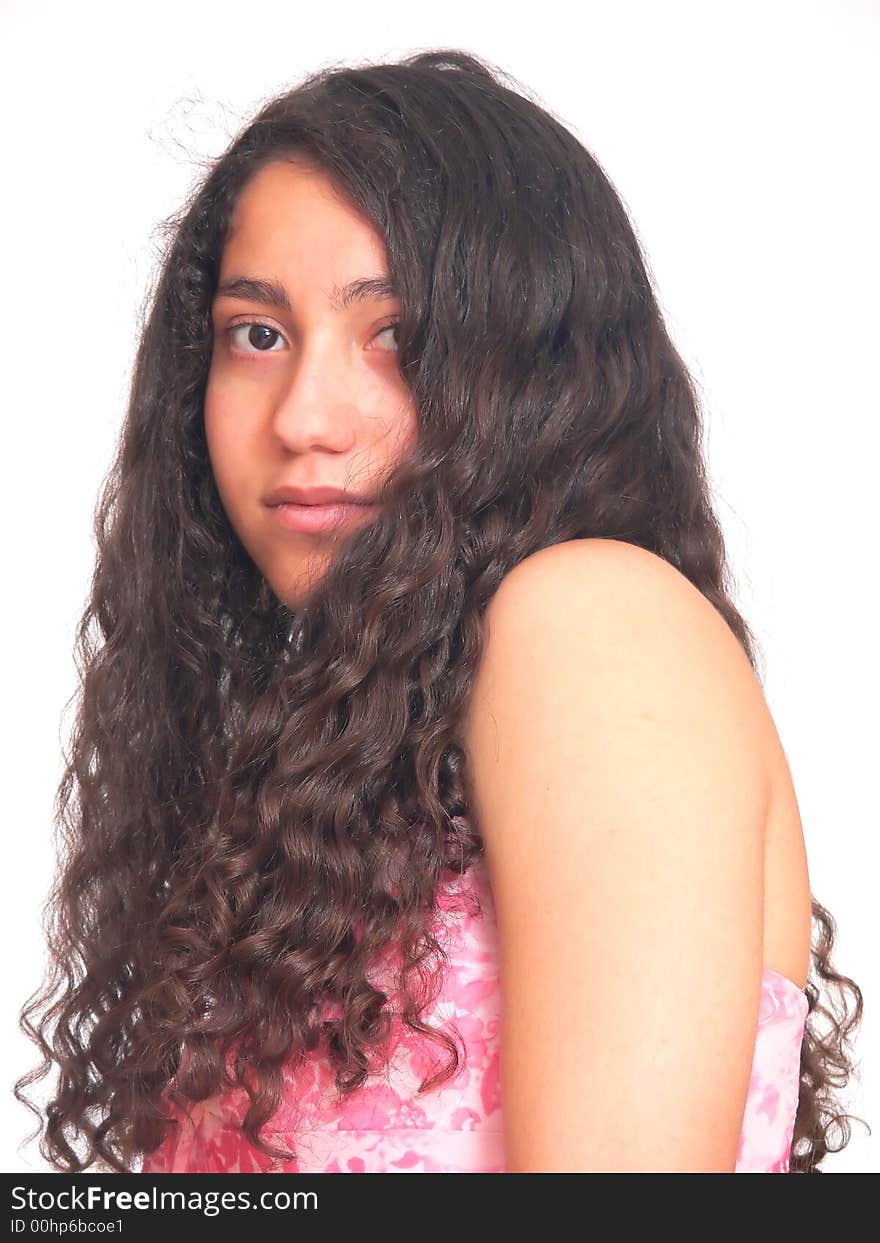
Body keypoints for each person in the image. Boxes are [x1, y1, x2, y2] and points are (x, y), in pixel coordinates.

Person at [17, 48, 865, 1174]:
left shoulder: (592, 623)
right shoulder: (345, 774)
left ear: (537, 378)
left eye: (398, 339)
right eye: (256, 335)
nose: (303, 418)